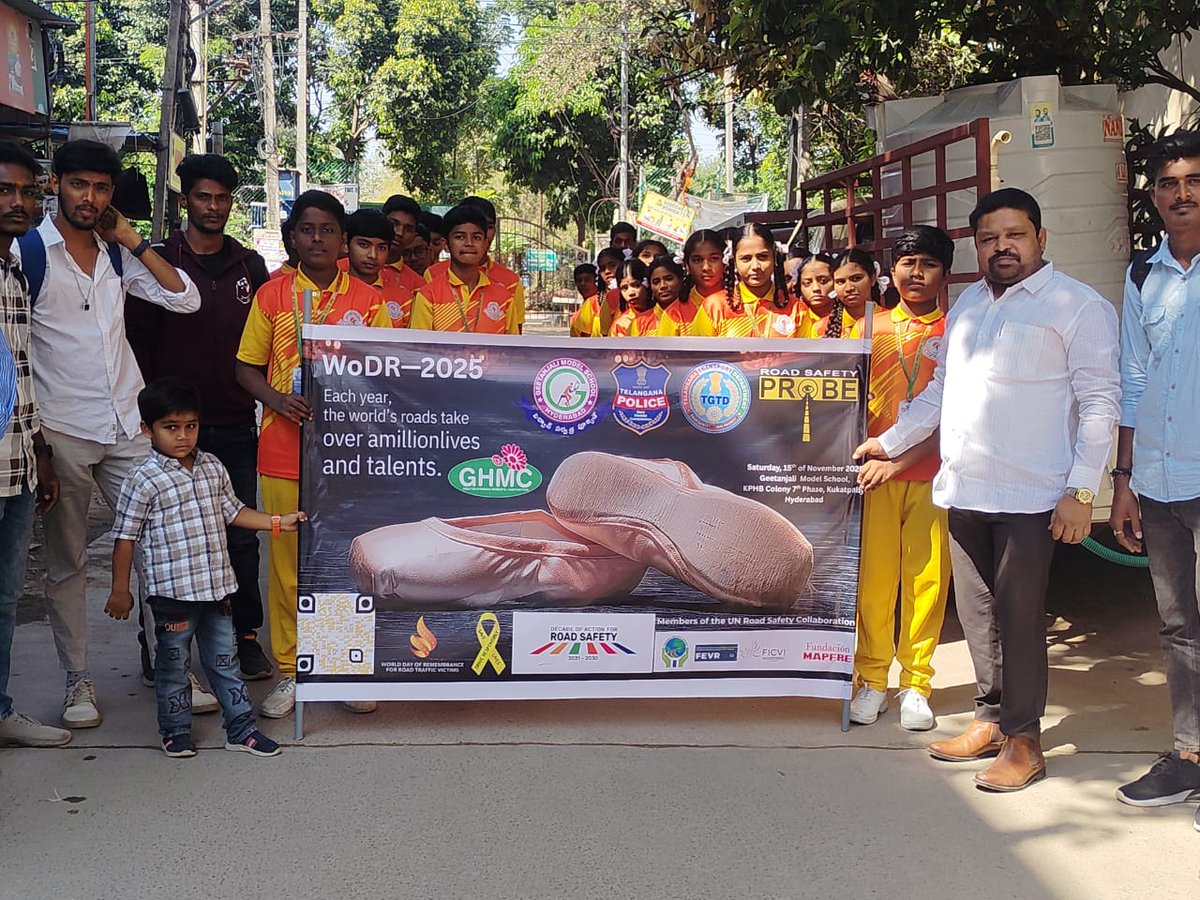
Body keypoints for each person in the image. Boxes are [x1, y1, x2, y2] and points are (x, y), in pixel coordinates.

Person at [854, 188, 1121, 792]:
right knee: (979, 618)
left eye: (1015, 234)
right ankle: (992, 719)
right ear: (979, 245)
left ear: (1040, 238)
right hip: (966, 489)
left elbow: (1101, 403)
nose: (1003, 246)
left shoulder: (1076, 306)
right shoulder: (972, 302)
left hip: (1032, 496)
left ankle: (1026, 742)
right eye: (991, 237)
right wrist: (891, 442)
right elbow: (939, 394)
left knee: (1021, 619)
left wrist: (1081, 490)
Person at [21, 138, 200, 729]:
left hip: (127, 423)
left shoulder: (117, 255)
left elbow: (185, 298)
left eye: (100, 188)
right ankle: (79, 681)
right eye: (79, 185)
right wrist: (37, 444)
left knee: (163, 548)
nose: (89, 198)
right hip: (64, 427)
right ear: (57, 185)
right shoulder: (28, 253)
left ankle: (175, 669)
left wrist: (133, 240)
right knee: (68, 562)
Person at [235, 189, 392, 719]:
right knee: (287, 566)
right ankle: (291, 670)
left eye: (328, 230)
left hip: (348, 455)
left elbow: (388, 372)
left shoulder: (369, 302)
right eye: (307, 229)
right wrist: (278, 399)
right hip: (282, 450)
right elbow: (245, 367)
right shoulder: (273, 296)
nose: (318, 239)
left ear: (342, 239)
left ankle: (339, 664)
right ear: (293, 237)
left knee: (341, 560)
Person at [125, 153, 274, 686]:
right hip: (171, 428)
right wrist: (153, 415)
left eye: (223, 198)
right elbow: (136, 342)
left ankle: (244, 638)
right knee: (165, 539)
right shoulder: (157, 259)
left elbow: (264, 345)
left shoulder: (249, 265)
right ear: (185, 199)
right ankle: (159, 645)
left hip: (234, 421)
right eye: (204, 197)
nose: (214, 207)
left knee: (238, 536)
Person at [106, 377, 301, 759]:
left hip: (216, 590)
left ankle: (241, 729)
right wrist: (120, 589)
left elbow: (235, 511)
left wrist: (277, 522)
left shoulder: (212, 466)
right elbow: (125, 537)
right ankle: (175, 731)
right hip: (171, 595)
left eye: (190, 426)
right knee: (174, 666)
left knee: (225, 663)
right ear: (147, 429)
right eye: (171, 427)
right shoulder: (142, 479)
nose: (183, 436)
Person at [1110, 130, 1200, 830]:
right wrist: (1124, 478)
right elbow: (1132, 381)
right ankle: (1190, 754)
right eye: (1168, 184)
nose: (1182, 193)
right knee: (1178, 626)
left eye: (1194, 180)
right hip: (1163, 479)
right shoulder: (1143, 276)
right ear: (1152, 197)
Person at [850, 226, 953, 731]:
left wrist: (904, 458)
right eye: (907, 262)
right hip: (874, 477)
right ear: (891, 270)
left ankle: (916, 684)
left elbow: (955, 413)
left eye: (928, 264)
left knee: (927, 583)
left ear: (944, 273)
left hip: (934, 473)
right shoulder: (868, 329)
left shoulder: (956, 331)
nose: (916, 273)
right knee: (874, 583)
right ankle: (871, 680)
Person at [0, 140, 71, 748]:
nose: (17, 202)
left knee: (3, 598)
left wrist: (40, 454)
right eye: (4, 190)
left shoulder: (18, 274)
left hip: (18, 466)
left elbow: (24, 375)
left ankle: (1, 709)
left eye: (26, 190)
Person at [409, 204, 524, 334]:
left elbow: (513, 351)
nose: (469, 243)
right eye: (460, 237)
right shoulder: (428, 296)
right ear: (445, 245)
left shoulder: (504, 298)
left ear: (485, 243)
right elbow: (419, 349)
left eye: (476, 237)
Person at [701, 222, 800, 338]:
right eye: (746, 259)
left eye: (763, 257)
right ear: (734, 261)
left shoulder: (797, 309)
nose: (755, 266)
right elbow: (696, 354)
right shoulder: (714, 307)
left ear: (774, 257)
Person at [342, 209, 415, 327]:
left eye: (381, 248)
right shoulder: (329, 293)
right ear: (345, 243)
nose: (373, 255)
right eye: (364, 245)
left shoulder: (405, 300)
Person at [674, 230, 726, 337]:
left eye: (714, 259)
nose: (706, 267)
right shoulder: (674, 314)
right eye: (697, 260)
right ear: (686, 265)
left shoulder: (742, 305)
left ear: (725, 261)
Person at [818, 247, 876, 337]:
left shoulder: (890, 322)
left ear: (873, 278)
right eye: (840, 282)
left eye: (856, 278)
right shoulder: (820, 328)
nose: (849, 288)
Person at [571, 247, 624, 338]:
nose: (607, 271)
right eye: (603, 268)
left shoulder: (635, 298)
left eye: (612, 265)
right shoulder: (592, 303)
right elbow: (583, 342)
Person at [381, 193, 425, 293]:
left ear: (414, 236)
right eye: (394, 224)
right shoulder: (345, 268)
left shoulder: (418, 286)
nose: (399, 233)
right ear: (380, 222)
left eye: (408, 229)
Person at [609, 258, 661, 336]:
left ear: (647, 284)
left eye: (636, 285)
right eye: (624, 288)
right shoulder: (620, 324)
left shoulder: (664, 314)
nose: (631, 293)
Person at [792, 252, 838, 337]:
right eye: (807, 283)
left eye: (823, 281)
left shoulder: (847, 316)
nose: (816, 288)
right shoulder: (793, 318)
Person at [652, 256, 699, 336]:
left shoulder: (703, 307)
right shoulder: (639, 323)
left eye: (669, 279)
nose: (663, 286)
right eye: (656, 282)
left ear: (681, 279)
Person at [569, 262, 599, 338]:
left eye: (587, 280)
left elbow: (585, 340)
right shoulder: (583, 308)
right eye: (579, 280)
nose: (582, 284)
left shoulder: (595, 302)